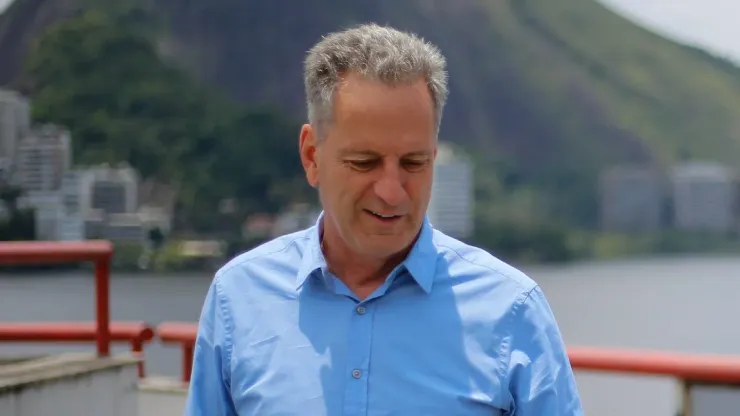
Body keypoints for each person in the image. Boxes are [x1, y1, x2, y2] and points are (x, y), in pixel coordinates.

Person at [185, 23, 583, 415]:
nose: (391, 192)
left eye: (414, 163)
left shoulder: (512, 310)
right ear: (312, 156)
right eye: (364, 162)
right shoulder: (237, 299)